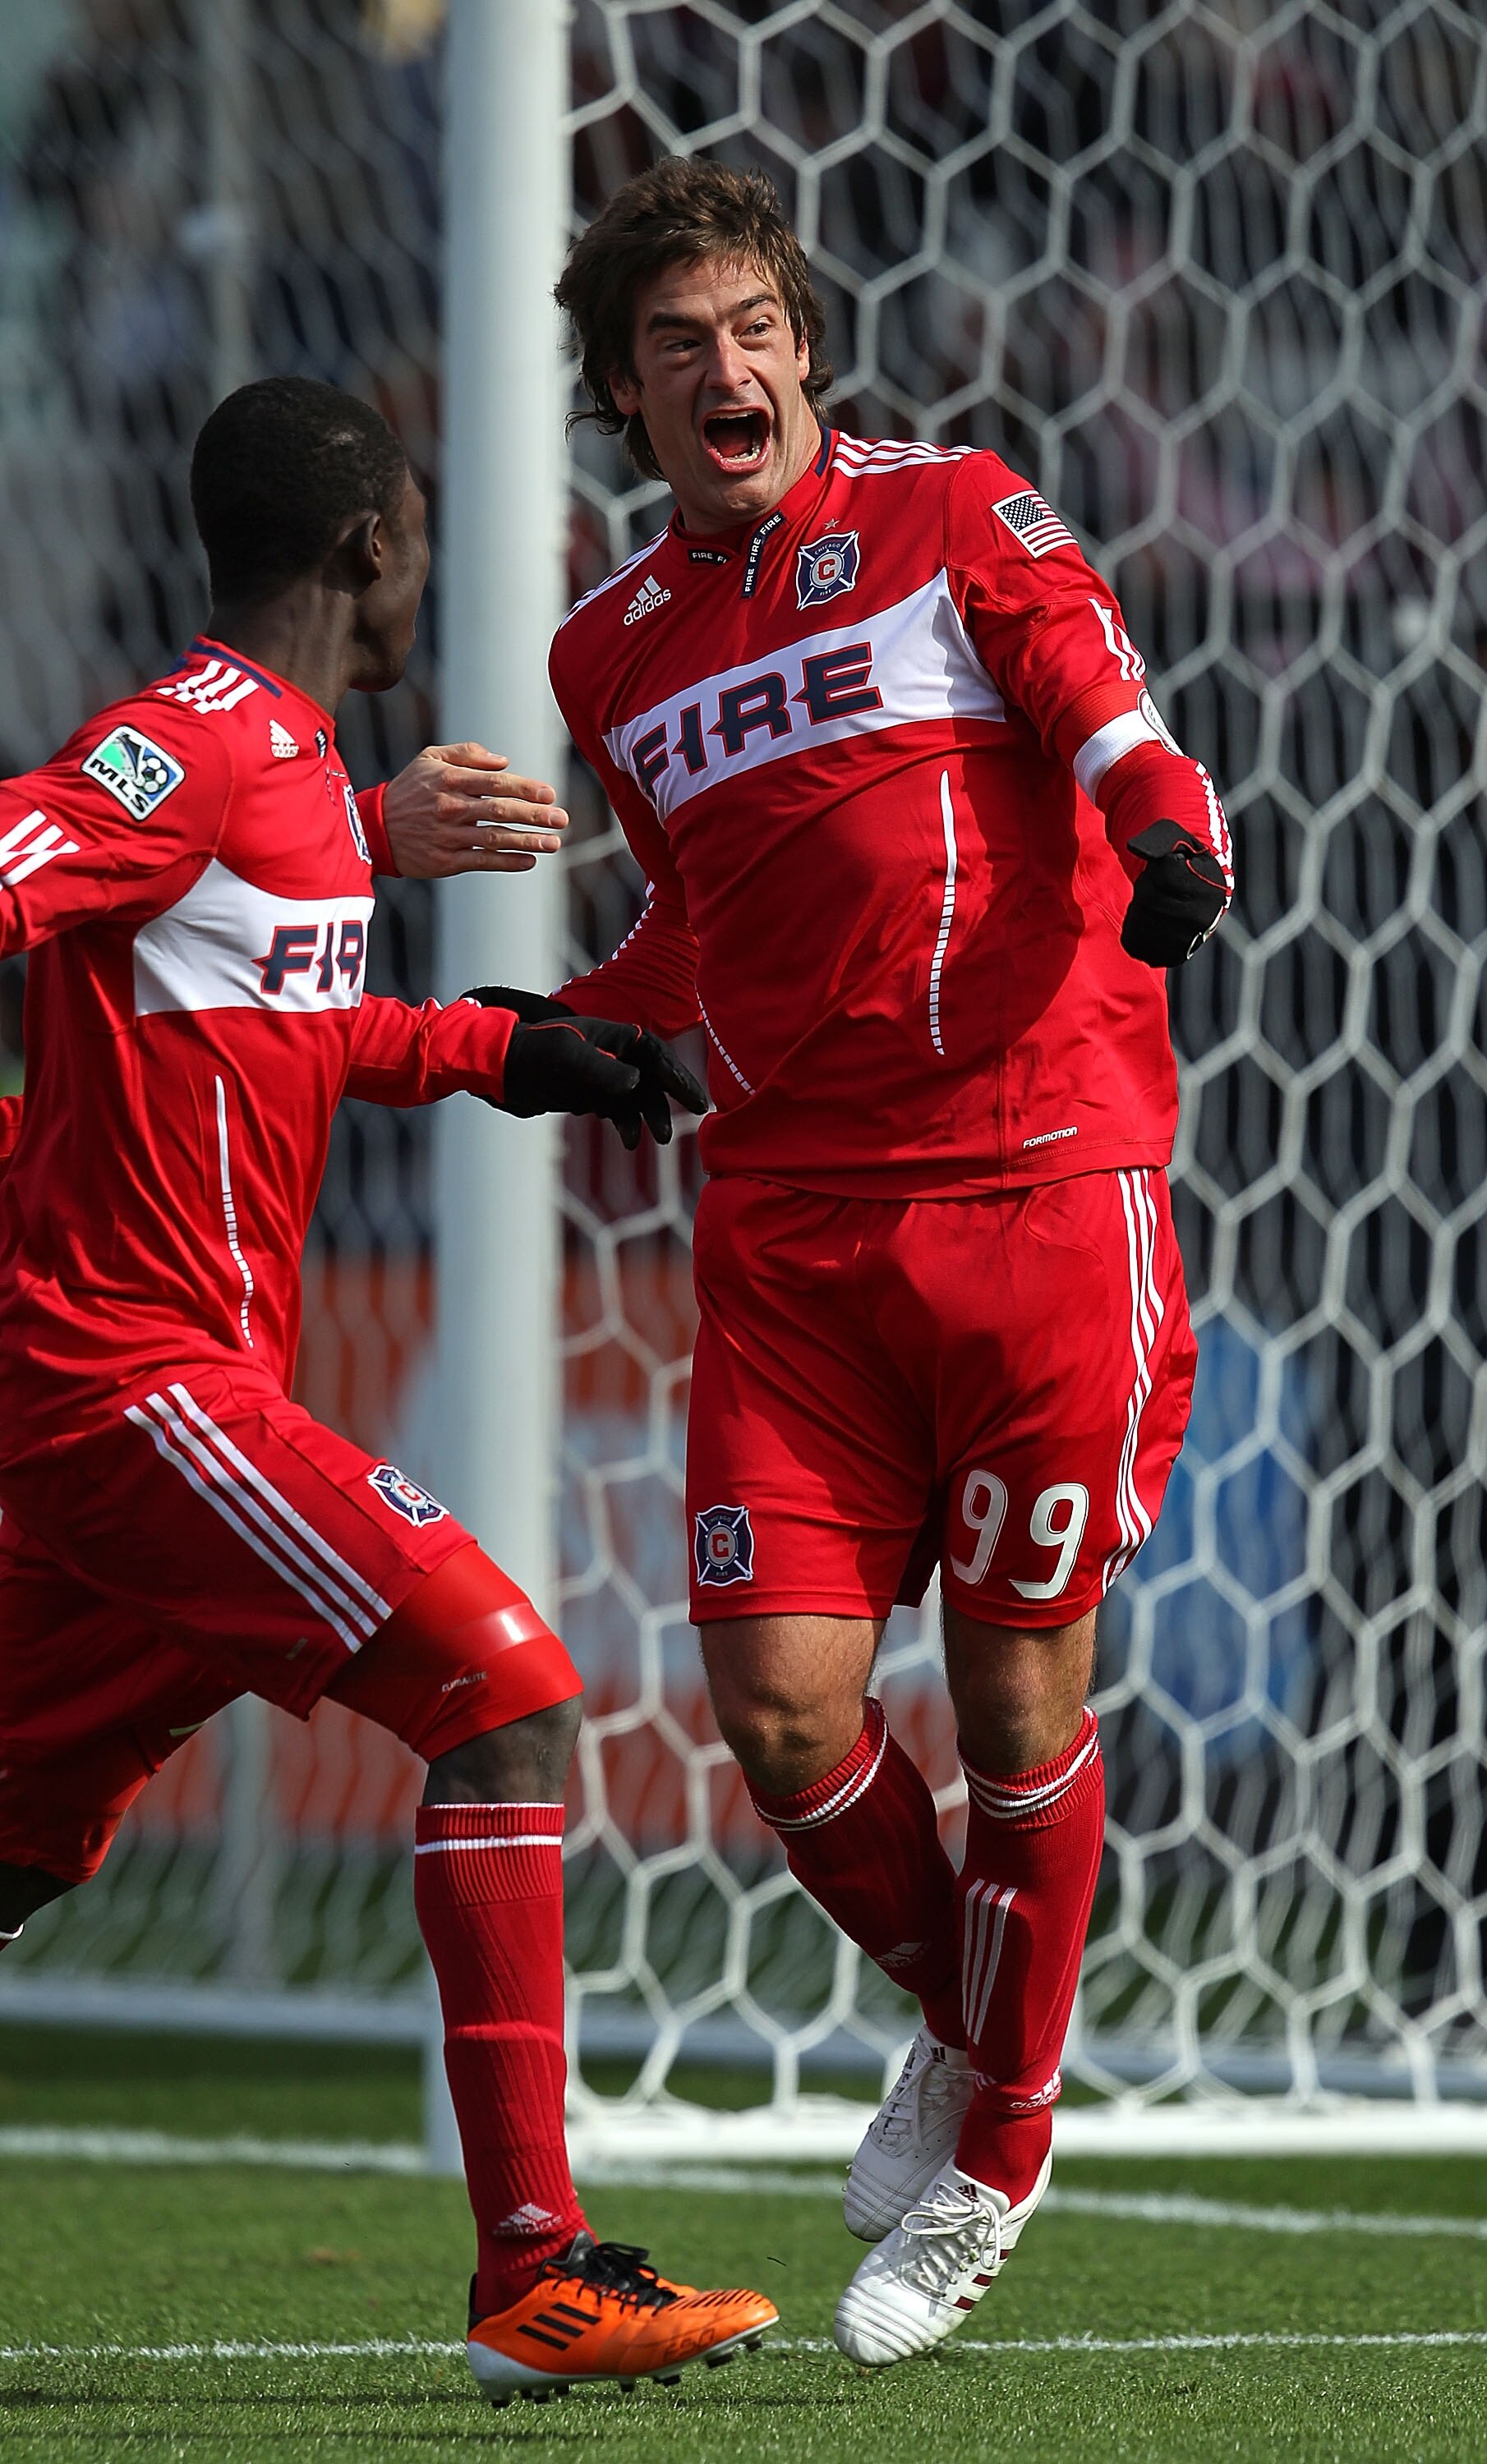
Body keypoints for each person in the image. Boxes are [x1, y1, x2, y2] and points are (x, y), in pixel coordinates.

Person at [0, 375, 776, 2404]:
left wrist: (503, 1051)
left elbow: (280, 1029)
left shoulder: (284, 781)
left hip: (144, 1416)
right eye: (423, 533)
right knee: (502, 1691)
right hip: (135, 1389)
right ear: (372, 549)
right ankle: (537, 2263)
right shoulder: (181, 742)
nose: (427, 564)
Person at [536, 159, 1233, 2365]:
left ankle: (995, 2157)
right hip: (791, 1226)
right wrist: (574, 1028)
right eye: (676, 344)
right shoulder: (609, 650)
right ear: (625, 394)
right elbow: (695, 917)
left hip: (1039, 1184)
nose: (722, 369)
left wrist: (1158, 833)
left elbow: (1091, 697)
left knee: (1018, 1697)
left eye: (749, 325)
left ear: (803, 344)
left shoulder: (955, 516)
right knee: (776, 1708)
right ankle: (972, 2011)